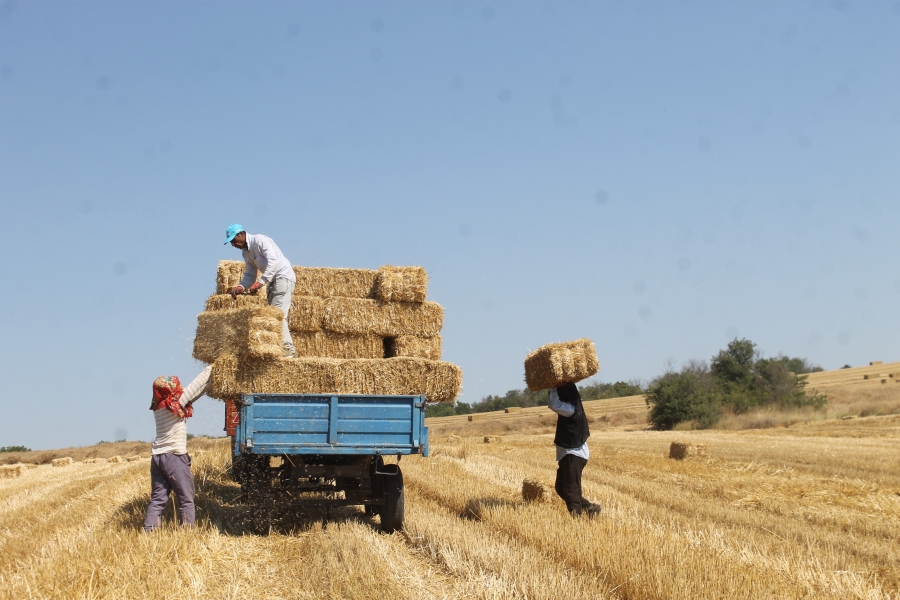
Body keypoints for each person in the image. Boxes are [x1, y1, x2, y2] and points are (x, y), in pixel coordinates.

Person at [143, 365, 212, 532]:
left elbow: (194, 394)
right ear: (170, 391)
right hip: (174, 456)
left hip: (157, 457)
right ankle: (187, 532)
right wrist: (212, 368)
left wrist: (209, 385)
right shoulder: (175, 403)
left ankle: (149, 530)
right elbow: (195, 386)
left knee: (158, 499)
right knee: (186, 498)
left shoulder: (159, 407)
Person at [224, 223, 297, 358]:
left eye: (233, 240)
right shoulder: (246, 253)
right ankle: (280, 350)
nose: (233, 244)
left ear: (241, 234)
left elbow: (273, 261)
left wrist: (261, 282)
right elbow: (250, 275)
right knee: (272, 316)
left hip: (283, 277)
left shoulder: (260, 241)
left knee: (277, 315)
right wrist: (241, 286)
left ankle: (289, 352)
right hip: (273, 281)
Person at [548, 381, 602, 517]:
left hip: (574, 454)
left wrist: (553, 387)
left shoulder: (570, 409)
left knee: (571, 490)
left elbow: (554, 404)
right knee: (561, 488)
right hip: (569, 454)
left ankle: (576, 520)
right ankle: (589, 507)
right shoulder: (572, 406)